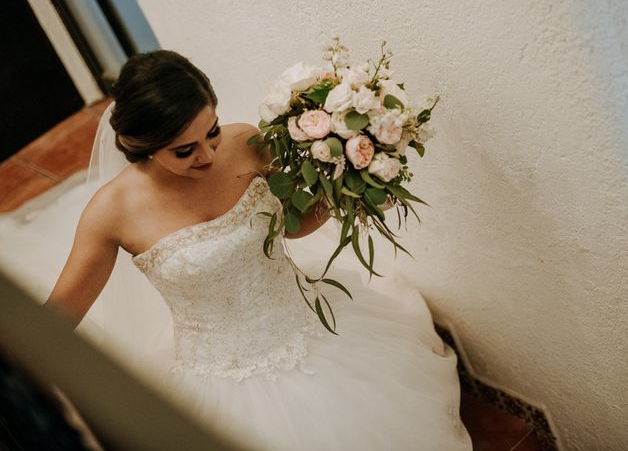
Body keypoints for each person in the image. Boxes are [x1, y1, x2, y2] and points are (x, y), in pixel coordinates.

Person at [42, 50, 471, 450]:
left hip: (313, 328)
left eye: (211, 132)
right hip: (220, 379)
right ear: (142, 146)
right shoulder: (111, 213)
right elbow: (56, 318)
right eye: (184, 150)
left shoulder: (246, 141)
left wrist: (350, 189)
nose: (208, 155)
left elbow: (292, 225)